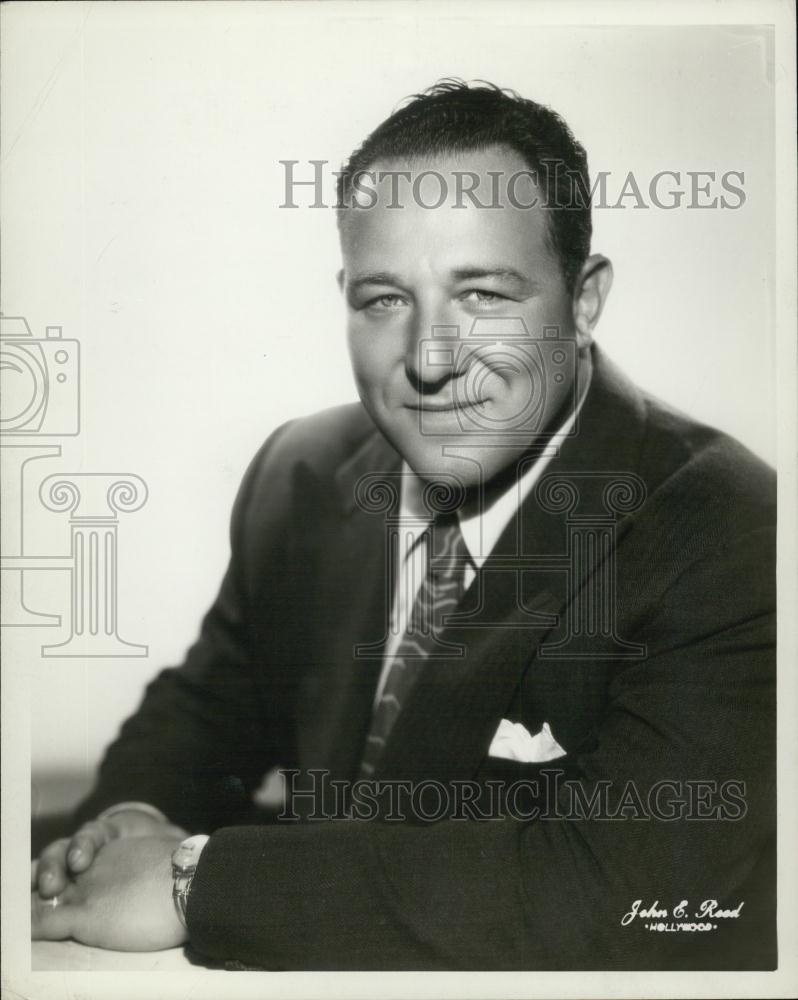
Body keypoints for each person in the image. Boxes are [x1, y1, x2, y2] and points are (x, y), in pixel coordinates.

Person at [31, 80, 776, 970]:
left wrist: (198, 880)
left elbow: (638, 885)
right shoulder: (303, 471)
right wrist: (130, 820)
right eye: (385, 299)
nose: (429, 359)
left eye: (485, 295)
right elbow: (203, 714)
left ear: (583, 300)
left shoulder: (727, 522)